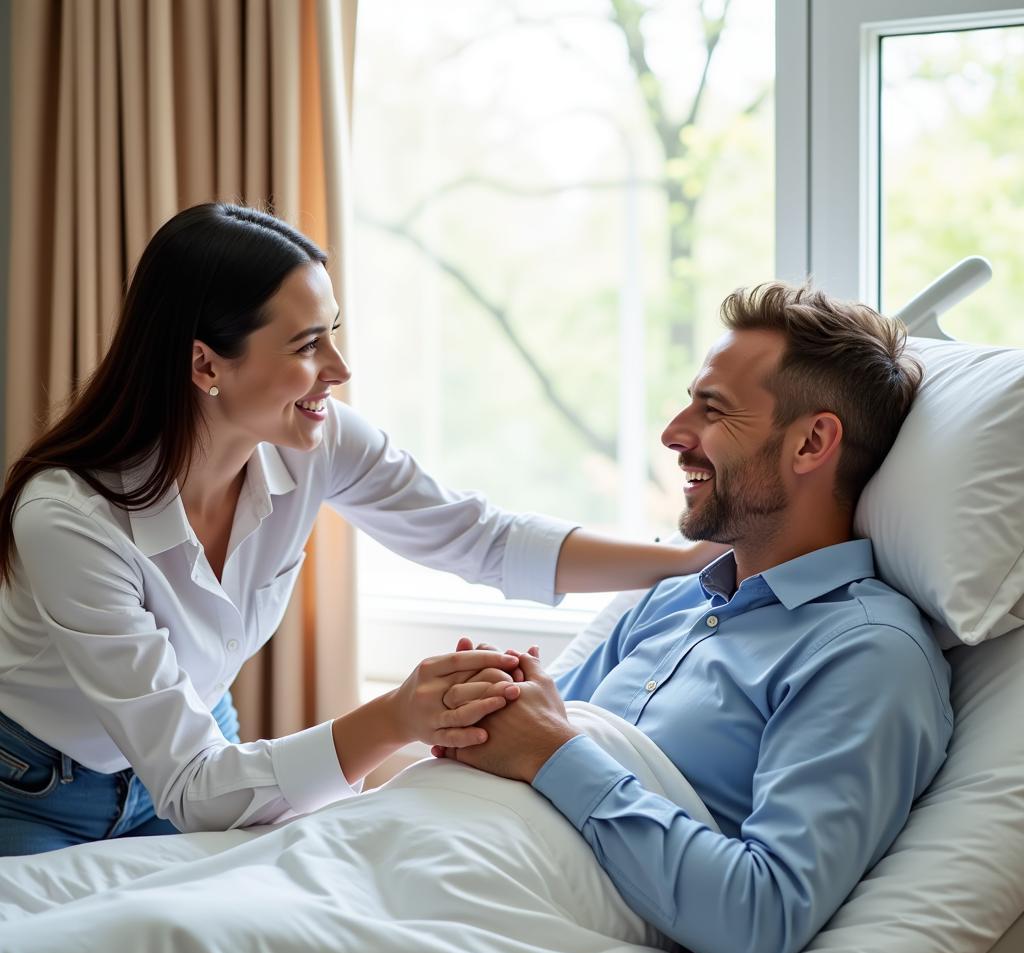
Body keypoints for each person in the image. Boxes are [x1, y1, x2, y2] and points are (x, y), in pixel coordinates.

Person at [0, 202, 724, 856]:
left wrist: (692, 559)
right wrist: (403, 715)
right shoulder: (69, 519)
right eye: (306, 345)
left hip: (201, 744)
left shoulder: (318, 441)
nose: (339, 370)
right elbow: (190, 786)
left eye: (334, 334)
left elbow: (484, 538)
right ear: (205, 364)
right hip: (39, 788)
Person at [438, 282, 954, 953]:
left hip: (494, 906)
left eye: (713, 411)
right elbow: (546, 736)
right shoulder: (669, 603)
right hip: (448, 842)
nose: (673, 432)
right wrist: (484, 716)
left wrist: (550, 751)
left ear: (811, 443)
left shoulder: (866, 654)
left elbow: (761, 918)